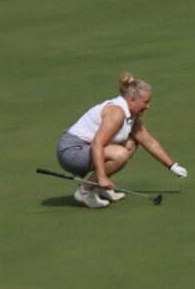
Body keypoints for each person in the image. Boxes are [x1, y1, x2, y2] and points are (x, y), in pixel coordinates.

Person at [56, 72, 188, 208]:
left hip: (86, 148)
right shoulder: (116, 112)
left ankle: (97, 187)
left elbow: (150, 142)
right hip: (72, 151)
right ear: (131, 100)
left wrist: (172, 166)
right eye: (146, 102)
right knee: (121, 154)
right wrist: (101, 176)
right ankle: (85, 191)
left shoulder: (131, 116)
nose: (148, 106)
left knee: (132, 142)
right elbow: (97, 143)